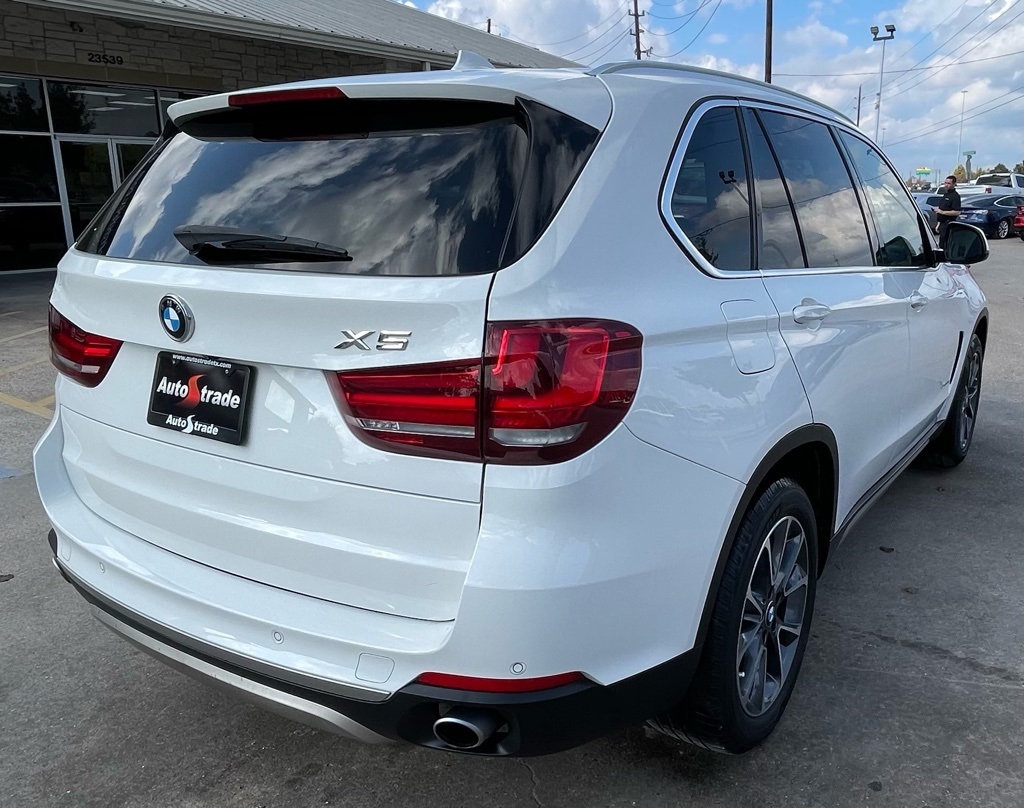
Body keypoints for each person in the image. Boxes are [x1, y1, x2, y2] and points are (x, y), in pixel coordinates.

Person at [934, 175, 961, 248]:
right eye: (945, 183)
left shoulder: (955, 196)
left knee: (945, 244)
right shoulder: (945, 195)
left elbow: (957, 212)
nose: (946, 185)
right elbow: (941, 209)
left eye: (948, 183)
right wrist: (938, 224)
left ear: (954, 184)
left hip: (949, 224)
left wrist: (942, 212)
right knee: (941, 243)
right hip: (942, 223)